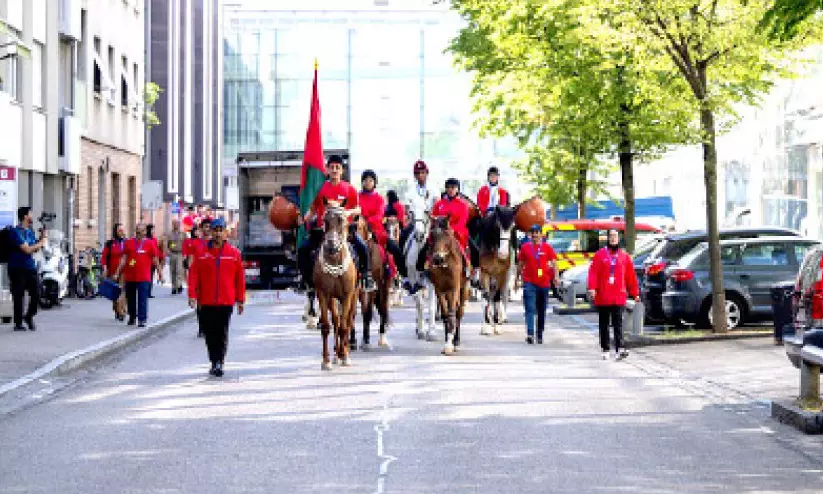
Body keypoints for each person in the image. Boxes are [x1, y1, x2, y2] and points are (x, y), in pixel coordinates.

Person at [297, 155, 375, 292]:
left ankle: (366, 277)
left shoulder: (349, 189)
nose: (334, 170)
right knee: (303, 249)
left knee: (363, 247)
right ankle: (305, 280)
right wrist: (303, 219)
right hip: (323, 231)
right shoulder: (321, 189)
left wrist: (348, 212)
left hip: (345, 231)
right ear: (327, 170)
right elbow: (313, 209)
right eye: (331, 167)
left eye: (337, 167)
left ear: (342, 170)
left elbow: (358, 209)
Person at [188, 218, 245, 377]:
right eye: (215, 230)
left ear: (226, 233)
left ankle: (219, 361)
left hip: (226, 301)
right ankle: (213, 360)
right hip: (206, 301)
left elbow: (240, 279)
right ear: (211, 232)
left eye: (221, 230)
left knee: (222, 332)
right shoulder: (201, 254)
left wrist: (240, 300)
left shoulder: (234, 254)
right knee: (209, 333)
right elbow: (193, 275)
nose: (218, 234)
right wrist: (192, 295)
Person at [587, 228, 640, 361]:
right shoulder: (600, 255)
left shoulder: (624, 256)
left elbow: (630, 277)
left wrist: (635, 293)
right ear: (607, 238)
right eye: (611, 236)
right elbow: (593, 272)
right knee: (604, 324)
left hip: (618, 295)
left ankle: (619, 349)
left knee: (618, 323)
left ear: (619, 238)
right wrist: (592, 288)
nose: (613, 238)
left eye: (615, 236)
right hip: (603, 295)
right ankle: (605, 349)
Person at [114, 223, 164, 327]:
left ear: (145, 232)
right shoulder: (129, 242)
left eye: (141, 232)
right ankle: (132, 316)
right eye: (137, 232)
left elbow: (155, 260)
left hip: (144, 276)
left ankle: (142, 319)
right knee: (131, 298)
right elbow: (124, 259)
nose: (139, 234)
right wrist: (117, 272)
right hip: (130, 276)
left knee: (142, 298)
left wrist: (160, 274)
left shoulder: (150, 243)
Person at [421, 178, 471, 276]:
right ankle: (423, 269)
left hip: (456, 233)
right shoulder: (439, 204)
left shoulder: (463, 205)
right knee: (425, 248)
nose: (451, 190)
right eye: (448, 187)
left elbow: (463, 221)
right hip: (439, 233)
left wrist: (452, 230)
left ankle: (469, 269)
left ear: (457, 189)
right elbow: (434, 218)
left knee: (473, 248)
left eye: (453, 187)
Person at [517, 224, 558, 344]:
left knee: (541, 310)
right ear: (530, 235)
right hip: (529, 283)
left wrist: (556, 277)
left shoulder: (547, 248)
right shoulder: (525, 247)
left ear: (541, 234)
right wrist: (516, 279)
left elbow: (554, 263)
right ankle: (530, 333)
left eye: (537, 233)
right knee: (529, 308)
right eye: (533, 233)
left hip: (544, 283)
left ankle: (539, 333)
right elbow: (520, 264)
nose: (535, 235)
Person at [8, 206, 46, 331]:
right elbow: (27, 249)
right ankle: (18, 323)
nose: (32, 216)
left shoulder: (30, 231)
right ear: (25, 216)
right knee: (19, 296)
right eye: (30, 213)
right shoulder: (15, 232)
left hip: (30, 267)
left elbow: (35, 248)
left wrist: (42, 238)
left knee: (36, 293)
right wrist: (41, 243)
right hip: (17, 268)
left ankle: (29, 316)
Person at [101, 223, 128, 321]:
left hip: (124, 271)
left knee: (122, 290)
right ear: (115, 231)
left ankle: (122, 310)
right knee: (114, 291)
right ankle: (117, 309)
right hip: (112, 271)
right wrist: (105, 269)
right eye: (119, 230)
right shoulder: (110, 243)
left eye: (123, 230)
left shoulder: (127, 242)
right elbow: (104, 257)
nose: (121, 232)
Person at [162, 218, 186, 294]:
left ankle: (179, 285)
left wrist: (185, 254)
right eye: (174, 223)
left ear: (179, 224)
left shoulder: (183, 234)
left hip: (180, 254)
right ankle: (174, 287)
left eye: (177, 223)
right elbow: (166, 243)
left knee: (179, 270)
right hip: (172, 253)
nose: (176, 225)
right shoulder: (169, 234)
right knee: (173, 270)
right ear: (172, 224)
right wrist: (167, 251)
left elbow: (186, 244)